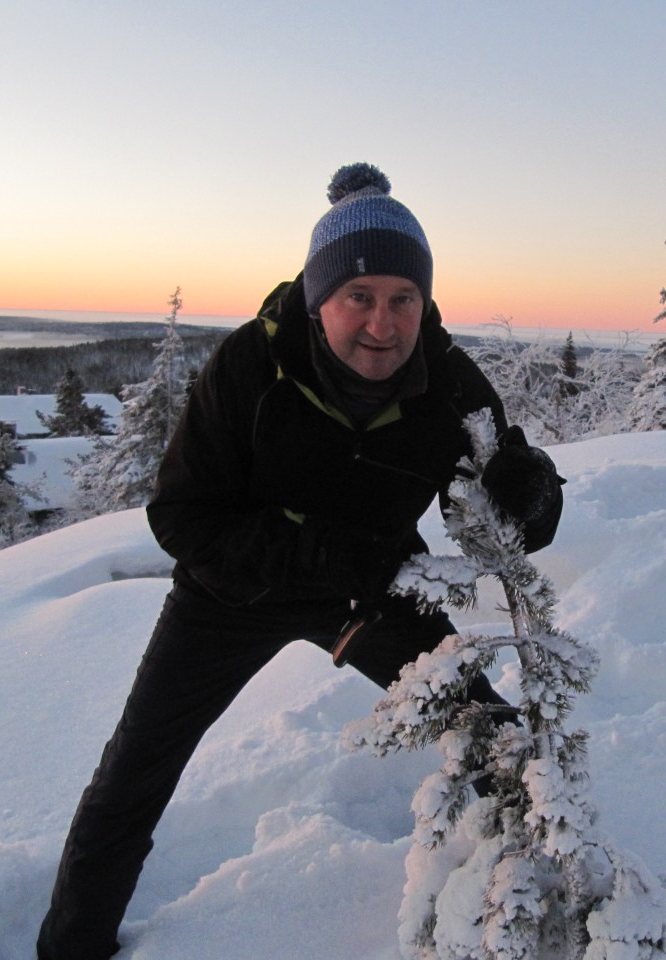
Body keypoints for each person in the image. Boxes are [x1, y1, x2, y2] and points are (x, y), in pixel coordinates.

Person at [36, 163, 564, 960]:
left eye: (403, 299)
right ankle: (69, 948)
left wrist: (531, 496)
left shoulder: (449, 383)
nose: (382, 324)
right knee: (132, 777)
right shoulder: (251, 366)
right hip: (230, 595)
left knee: (487, 728)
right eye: (359, 296)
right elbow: (181, 515)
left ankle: (545, 881)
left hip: (370, 588)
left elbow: (501, 514)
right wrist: (317, 550)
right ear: (319, 299)